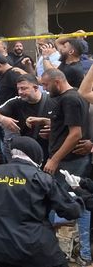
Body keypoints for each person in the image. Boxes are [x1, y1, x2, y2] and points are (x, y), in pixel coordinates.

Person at [0, 136, 83, 267]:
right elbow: (72, 211)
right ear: (36, 156)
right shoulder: (43, 179)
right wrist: (78, 193)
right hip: (35, 249)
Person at [38, 68, 92, 265]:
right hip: (65, 160)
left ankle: (81, 253)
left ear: (57, 82)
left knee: (76, 203)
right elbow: (67, 127)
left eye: (45, 85)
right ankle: (62, 249)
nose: (44, 89)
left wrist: (54, 160)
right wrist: (52, 133)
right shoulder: (64, 98)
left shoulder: (70, 99)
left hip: (70, 163)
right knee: (63, 202)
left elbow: (76, 133)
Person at [0, 74, 52, 159]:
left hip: (51, 150)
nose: (20, 92)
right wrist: (3, 119)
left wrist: (54, 130)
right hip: (28, 151)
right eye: (18, 89)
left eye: (23, 88)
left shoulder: (53, 99)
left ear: (35, 88)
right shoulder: (16, 102)